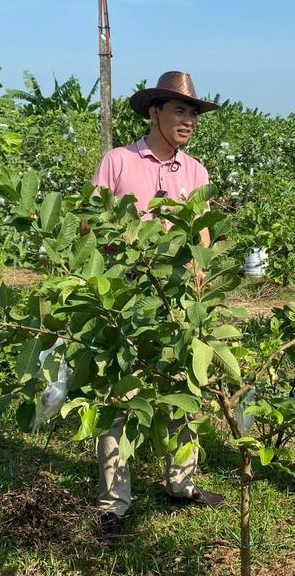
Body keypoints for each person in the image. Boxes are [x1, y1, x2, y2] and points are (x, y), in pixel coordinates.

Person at [90, 71, 226, 541]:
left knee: (184, 388)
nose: (187, 120)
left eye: (192, 112)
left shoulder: (195, 171)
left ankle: (182, 484)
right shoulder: (118, 161)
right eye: (178, 111)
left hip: (181, 300)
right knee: (121, 396)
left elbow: (203, 230)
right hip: (128, 295)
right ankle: (113, 504)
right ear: (154, 112)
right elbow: (94, 223)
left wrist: (201, 276)